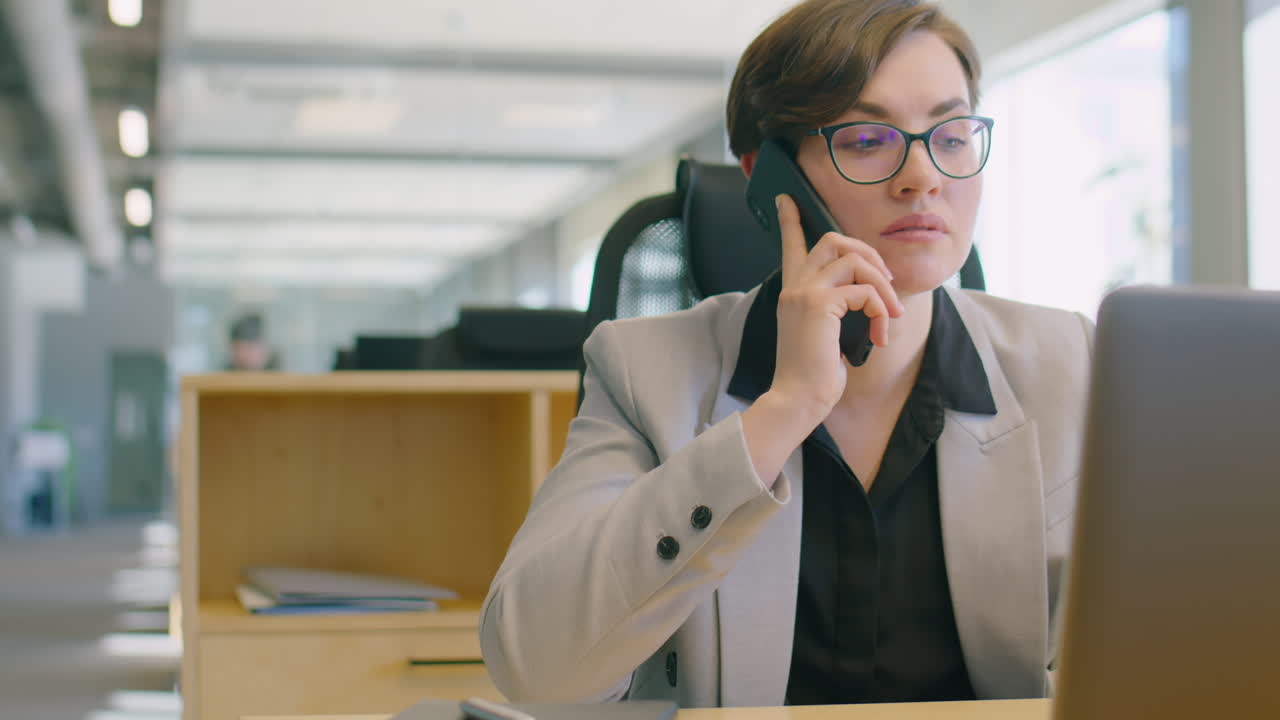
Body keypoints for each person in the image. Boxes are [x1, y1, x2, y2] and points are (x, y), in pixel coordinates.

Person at [480, 0, 1092, 708]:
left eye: (951, 136)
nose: (923, 175)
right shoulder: (644, 371)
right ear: (769, 178)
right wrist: (782, 412)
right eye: (867, 139)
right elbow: (535, 669)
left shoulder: (1074, 366)